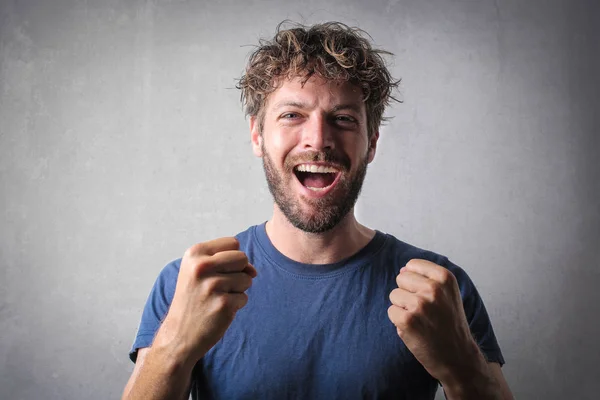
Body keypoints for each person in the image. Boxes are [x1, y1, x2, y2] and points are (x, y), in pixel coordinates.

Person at [122, 21, 513, 400]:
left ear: (371, 143)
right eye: (292, 115)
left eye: (343, 119)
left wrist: (463, 365)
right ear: (257, 135)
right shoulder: (190, 282)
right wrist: (172, 348)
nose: (318, 140)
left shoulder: (440, 289)